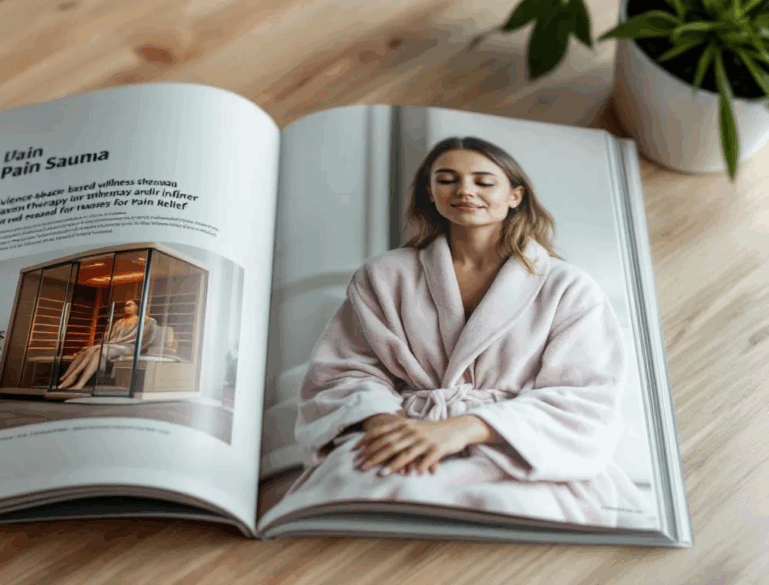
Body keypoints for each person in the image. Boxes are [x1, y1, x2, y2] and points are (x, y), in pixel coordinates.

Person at [264, 136, 651, 529]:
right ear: (431, 194)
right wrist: (388, 426)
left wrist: (461, 430)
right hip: (403, 427)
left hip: (512, 443)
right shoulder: (385, 275)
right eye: (447, 179)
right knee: (349, 495)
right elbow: (343, 370)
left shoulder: (568, 287)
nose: (464, 190)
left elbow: (585, 395)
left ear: (515, 196)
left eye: (483, 182)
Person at [57, 299, 158, 390]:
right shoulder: (120, 322)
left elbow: (136, 338)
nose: (126, 307)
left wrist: (110, 343)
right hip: (111, 345)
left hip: (127, 347)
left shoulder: (144, 320)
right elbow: (109, 337)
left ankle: (72, 376)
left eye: (129, 305)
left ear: (137, 307)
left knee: (96, 350)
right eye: (125, 305)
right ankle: (76, 381)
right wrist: (103, 342)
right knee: (91, 351)